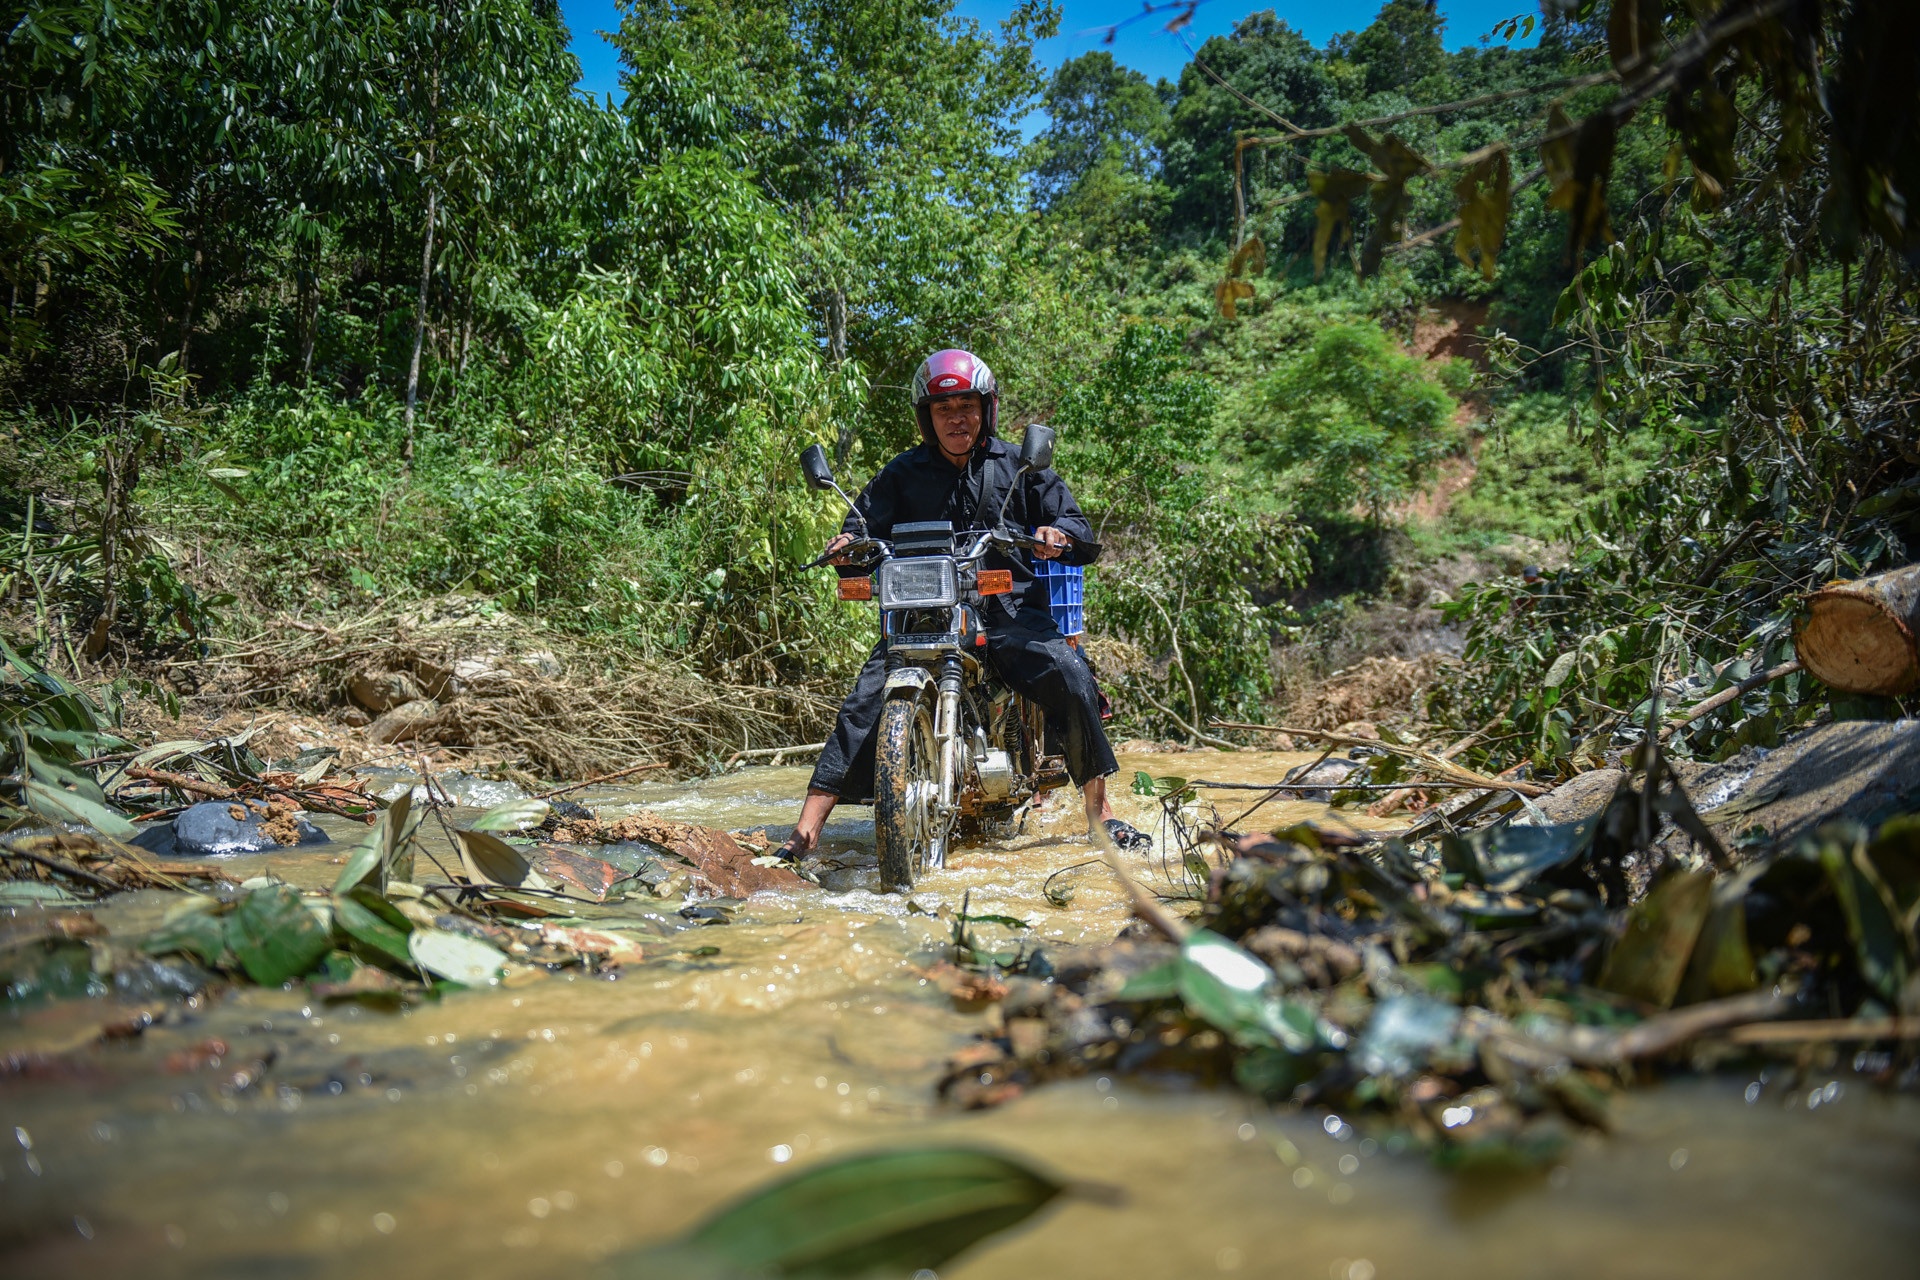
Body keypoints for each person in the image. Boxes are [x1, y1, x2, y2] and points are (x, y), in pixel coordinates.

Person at [776, 347, 1150, 861]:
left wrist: (1056, 534)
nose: (957, 418)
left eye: (967, 407)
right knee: (863, 700)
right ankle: (804, 836)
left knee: (1070, 672)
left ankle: (1099, 813)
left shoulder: (1019, 466)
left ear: (986, 409)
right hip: (923, 614)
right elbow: (859, 529)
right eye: (944, 409)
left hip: (1008, 612)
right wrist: (846, 546)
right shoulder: (901, 473)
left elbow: (1075, 528)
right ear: (927, 417)